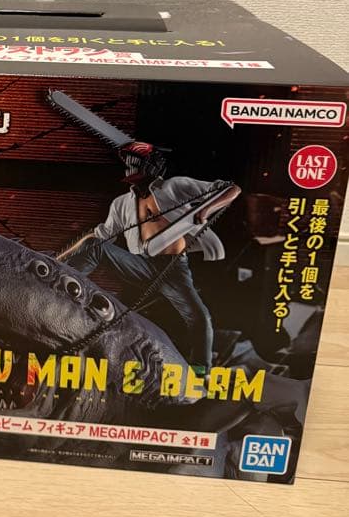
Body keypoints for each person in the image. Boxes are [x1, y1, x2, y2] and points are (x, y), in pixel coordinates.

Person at [62, 140, 241, 372]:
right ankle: (61, 285)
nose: (131, 167)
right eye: (128, 163)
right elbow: (98, 237)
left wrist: (206, 210)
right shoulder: (121, 204)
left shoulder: (175, 187)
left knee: (200, 317)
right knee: (95, 246)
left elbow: (232, 190)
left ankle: (201, 371)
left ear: (152, 165)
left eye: (136, 162)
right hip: (141, 265)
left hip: (173, 269)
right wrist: (60, 260)